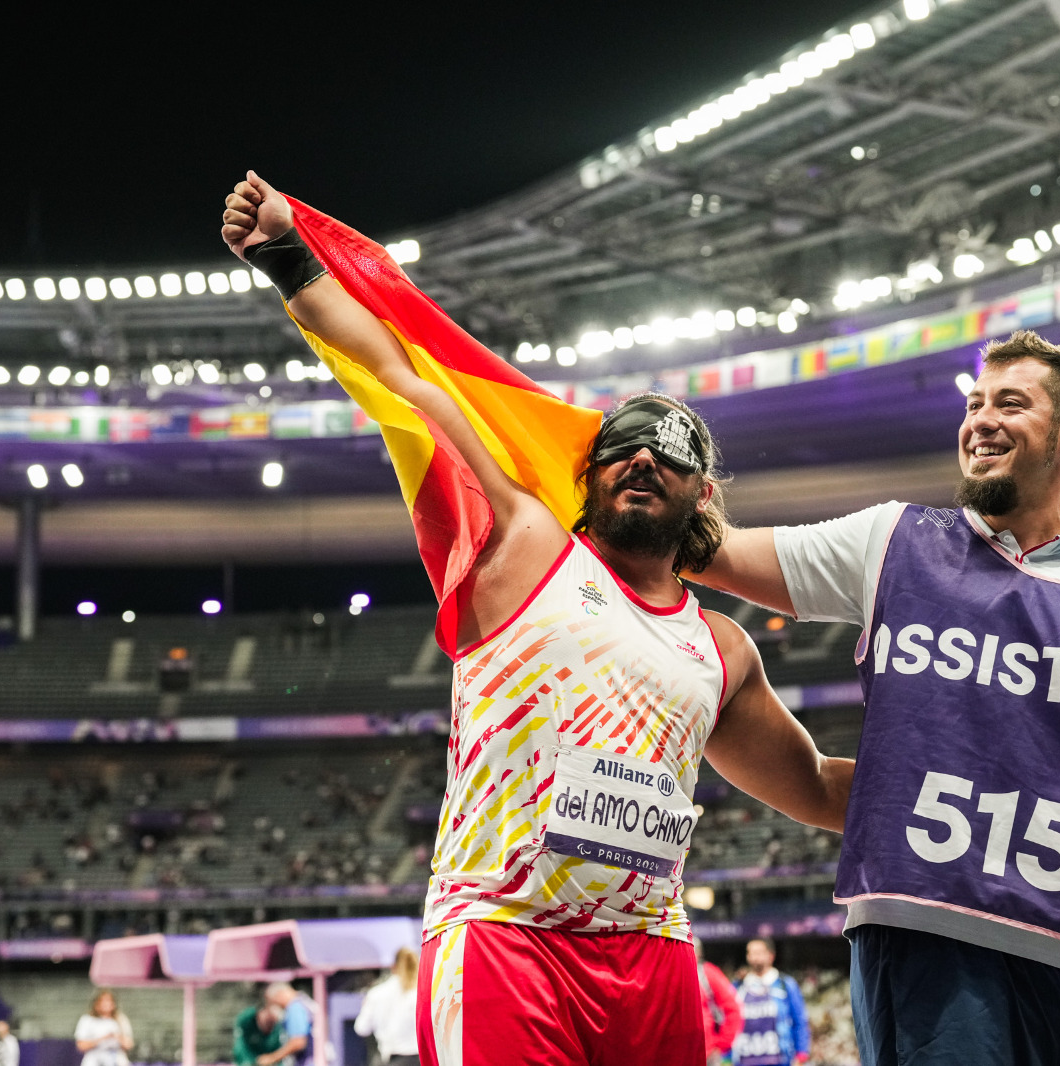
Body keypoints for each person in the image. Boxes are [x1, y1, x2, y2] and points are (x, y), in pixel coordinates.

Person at [222, 175, 854, 1066]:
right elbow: (401, 373)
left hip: (655, 955)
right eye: (621, 443)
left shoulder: (722, 648)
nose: (641, 455)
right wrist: (289, 256)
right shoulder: (524, 542)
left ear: (703, 493)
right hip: (503, 935)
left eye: (669, 450)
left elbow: (822, 788)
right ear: (587, 472)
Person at [696, 330, 1060, 1065]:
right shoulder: (892, 541)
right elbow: (711, 552)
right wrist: (631, 468)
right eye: (974, 404)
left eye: (1010, 402)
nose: (980, 420)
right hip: (926, 936)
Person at [731, 940, 809, 1066]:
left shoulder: (786, 985)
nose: (755, 957)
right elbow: (729, 1021)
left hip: (780, 1059)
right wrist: (727, 1056)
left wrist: (801, 1054)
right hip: (745, 1059)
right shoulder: (738, 986)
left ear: (771, 955)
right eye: (752, 953)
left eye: (759, 953)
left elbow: (800, 1021)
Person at [353, 947, 421, 1066]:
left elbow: (361, 1028)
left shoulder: (376, 994)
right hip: (421, 1059)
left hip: (393, 1059)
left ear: (393, 967)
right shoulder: (420, 993)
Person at [696, 941, 741, 1066]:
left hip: (708, 1054)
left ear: (699, 953)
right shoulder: (669, 972)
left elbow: (733, 1008)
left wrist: (723, 1043)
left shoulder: (707, 974)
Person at [257, 984, 311, 1066]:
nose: (276, 1006)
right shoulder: (304, 1001)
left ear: (279, 995)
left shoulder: (295, 1008)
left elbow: (298, 1042)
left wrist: (272, 1058)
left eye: (273, 1002)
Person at [74, 991, 133, 1066]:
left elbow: (129, 1044)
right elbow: (81, 1046)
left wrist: (116, 1037)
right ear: (96, 1004)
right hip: (93, 1059)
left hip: (116, 1059)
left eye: (108, 1001)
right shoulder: (87, 1020)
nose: (105, 1004)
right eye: (102, 1001)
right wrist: (102, 1039)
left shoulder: (121, 1019)